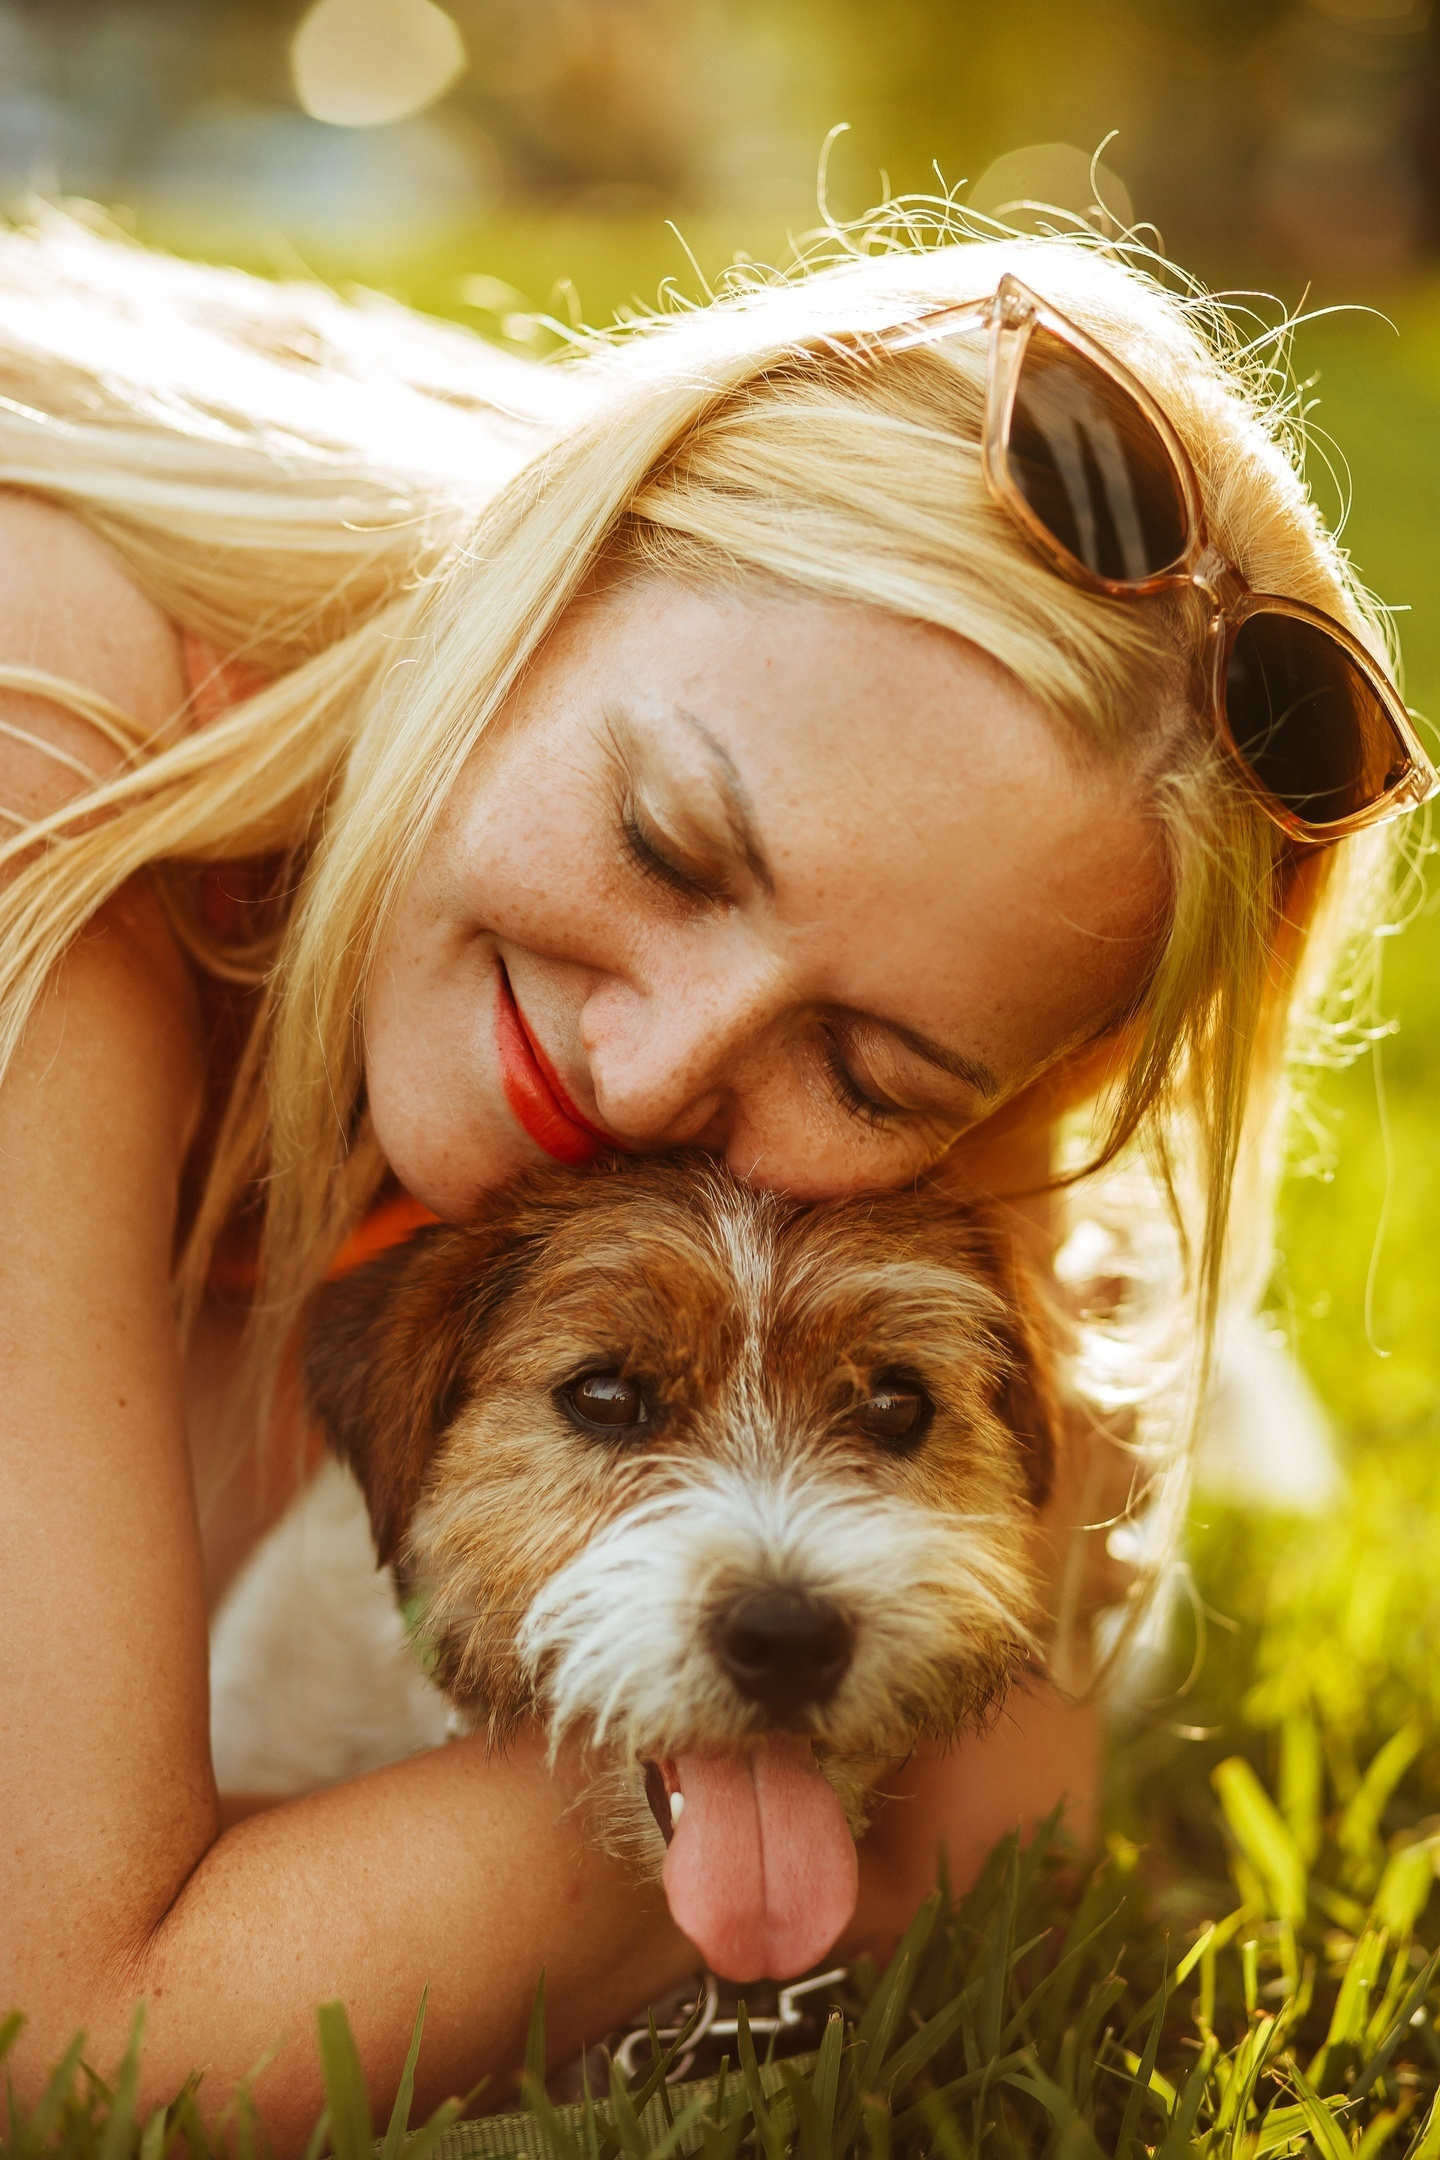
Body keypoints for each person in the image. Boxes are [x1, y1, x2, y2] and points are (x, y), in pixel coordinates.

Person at [0, 210, 1425, 2146]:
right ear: (566, 559)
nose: (649, 1073)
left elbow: (1004, 1894)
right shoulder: (48, 726)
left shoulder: (811, 733)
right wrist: (807, 1784)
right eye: (667, 843)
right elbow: (82, 2043)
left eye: (869, 1067)